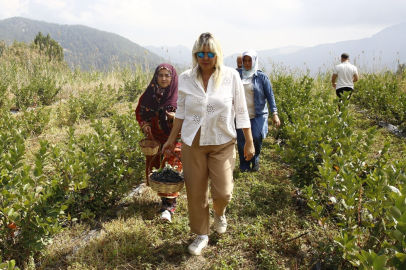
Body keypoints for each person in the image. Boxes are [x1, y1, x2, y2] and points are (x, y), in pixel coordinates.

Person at [161, 32, 255, 256]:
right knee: (196, 191)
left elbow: (241, 111)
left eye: (210, 53)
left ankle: (219, 212)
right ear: (195, 54)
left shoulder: (231, 76)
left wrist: (249, 142)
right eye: (201, 53)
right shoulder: (185, 78)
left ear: (217, 54)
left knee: (223, 192)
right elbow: (181, 111)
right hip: (192, 142)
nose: (205, 57)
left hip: (222, 141)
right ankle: (201, 234)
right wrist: (171, 139)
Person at [135, 63, 182, 223]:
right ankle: (166, 201)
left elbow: (190, 117)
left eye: (167, 75)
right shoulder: (150, 94)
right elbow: (140, 112)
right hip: (156, 139)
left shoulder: (180, 96)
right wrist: (146, 125)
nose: (163, 78)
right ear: (156, 77)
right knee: (159, 173)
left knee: (170, 170)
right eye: (160, 75)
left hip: (175, 139)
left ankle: (168, 207)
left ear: (172, 77)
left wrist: (174, 119)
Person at [236, 49, 280, 172]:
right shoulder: (237, 75)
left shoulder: (261, 77)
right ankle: (244, 164)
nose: (247, 63)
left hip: (258, 114)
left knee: (256, 136)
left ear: (255, 61)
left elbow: (270, 96)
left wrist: (274, 113)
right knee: (241, 139)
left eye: (250, 60)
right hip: (241, 114)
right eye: (245, 60)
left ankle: (255, 159)